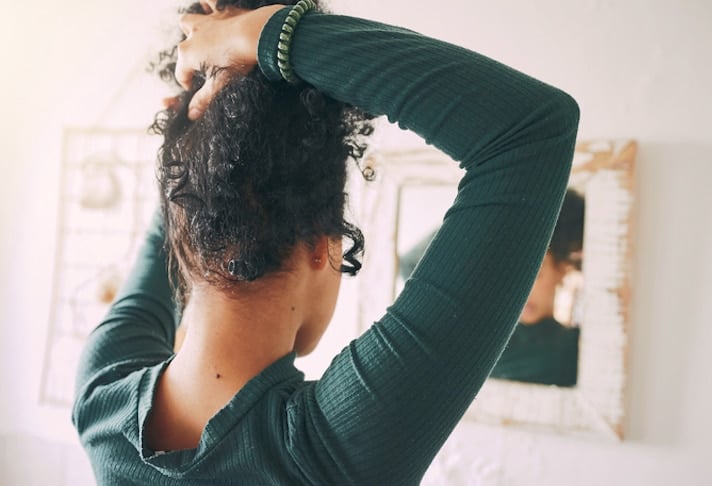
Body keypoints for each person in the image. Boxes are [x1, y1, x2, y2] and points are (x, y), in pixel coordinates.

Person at [72, 1, 579, 484]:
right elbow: (528, 129)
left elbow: (182, 214)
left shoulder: (101, 400)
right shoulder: (334, 449)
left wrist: (201, 130)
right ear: (322, 242)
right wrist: (265, 37)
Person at [488, 189, 585, 387]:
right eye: (508, 275)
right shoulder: (486, 339)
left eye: (534, 274)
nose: (518, 293)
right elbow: (413, 262)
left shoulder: (573, 349)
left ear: (563, 269)